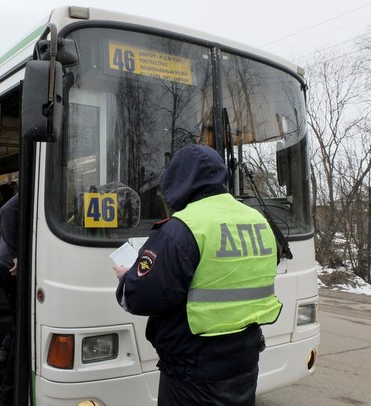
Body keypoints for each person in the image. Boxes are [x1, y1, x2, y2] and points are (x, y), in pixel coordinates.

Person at [112, 144, 282, 405]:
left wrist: (127, 278)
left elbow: (139, 297)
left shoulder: (182, 228)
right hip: (244, 361)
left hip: (194, 370)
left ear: (179, 180)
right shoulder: (257, 220)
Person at [0, 193, 19, 404]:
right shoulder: (20, 197)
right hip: (7, 265)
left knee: (20, 321)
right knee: (22, 327)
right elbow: (6, 211)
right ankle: (7, 394)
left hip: (4, 262)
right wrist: (17, 255)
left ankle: (6, 346)